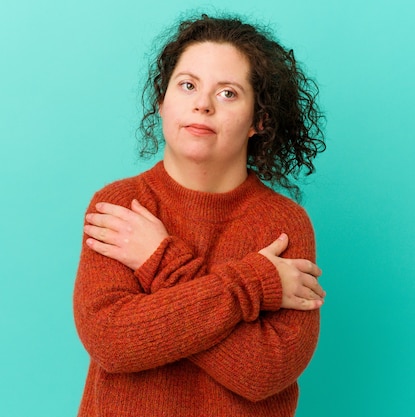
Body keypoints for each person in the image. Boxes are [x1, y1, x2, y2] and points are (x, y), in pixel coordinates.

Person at [73, 13, 326, 417]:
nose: (202, 104)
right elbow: (112, 341)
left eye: (228, 93)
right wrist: (256, 281)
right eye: (187, 85)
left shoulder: (283, 224)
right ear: (162, 101)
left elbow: (262, 372)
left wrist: (158, 261)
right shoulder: (120, 204)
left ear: (259, 120)